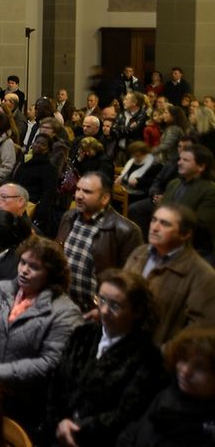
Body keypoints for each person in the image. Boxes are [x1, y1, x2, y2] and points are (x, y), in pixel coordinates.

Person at [0, 235, 82, 438]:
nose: (24, 270)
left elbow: (50, 362)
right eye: (22, 262)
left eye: (34, 267)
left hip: (26, 404)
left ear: (51, 274)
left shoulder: (65, 311)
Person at [46, 269, 166, 447]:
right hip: (56, 433)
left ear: (138, 312)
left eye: (115, 306)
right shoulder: (83, 334)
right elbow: (57, 383)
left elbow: (126, 413)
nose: (103, 310)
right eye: (101, 300)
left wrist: (77, 428)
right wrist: (59, 422)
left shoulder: (147, 356)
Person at [124, 202, 215, 344]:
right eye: (154, 220)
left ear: (185, 234)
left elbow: (198, 332)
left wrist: (164, 354)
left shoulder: (202, 275)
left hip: (158, 358)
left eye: (165, 224)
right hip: (123, 344)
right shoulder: (139, 253)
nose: (154, 227)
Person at [57, 172, 144, 314]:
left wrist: (105, 309)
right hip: (63, 305)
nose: (78, 195)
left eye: (86, 192)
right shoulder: (69, 217)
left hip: (98, 313)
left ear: (105, 198)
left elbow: (131, 283)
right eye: (78, 189)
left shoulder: (126, 231)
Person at [116, 326, 215, 447]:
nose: (185, 371)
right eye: (183, 359)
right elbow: (135, 429)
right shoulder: (170, 392)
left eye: (200, 367)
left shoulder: (207, 430)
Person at [159, 144, 215, 254]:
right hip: (166, 241)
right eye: (180, 159)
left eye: (186, 160)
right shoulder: (173, 184)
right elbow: (161, 209)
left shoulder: (210, 190)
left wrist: (170, 224)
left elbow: (202, 227)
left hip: (194, 249)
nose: (179, 162)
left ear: (201, 166)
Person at [14, 132, 60, 234]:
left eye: (42, 144)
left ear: (48, 149)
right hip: (15, 203)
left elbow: (48, 193)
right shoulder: (25, 160)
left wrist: (40, 216)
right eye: (36, 142)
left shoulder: (49, 168)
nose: (37, 145)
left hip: (30, 207)